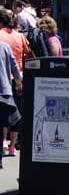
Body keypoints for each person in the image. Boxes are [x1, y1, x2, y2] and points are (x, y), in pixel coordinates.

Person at [0, 9, 32, 158]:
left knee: (3, 116)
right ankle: (13, 146)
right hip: (17, 78)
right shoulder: (20, 36)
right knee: (15, 113)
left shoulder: (1, 37)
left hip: (4, 79)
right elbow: (28, 52)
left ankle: (3, 143)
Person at [0, 40, 21, 169]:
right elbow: (14, 66)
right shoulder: (5, 46)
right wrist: (18, 83)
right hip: (4, 92)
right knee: (1, 125)